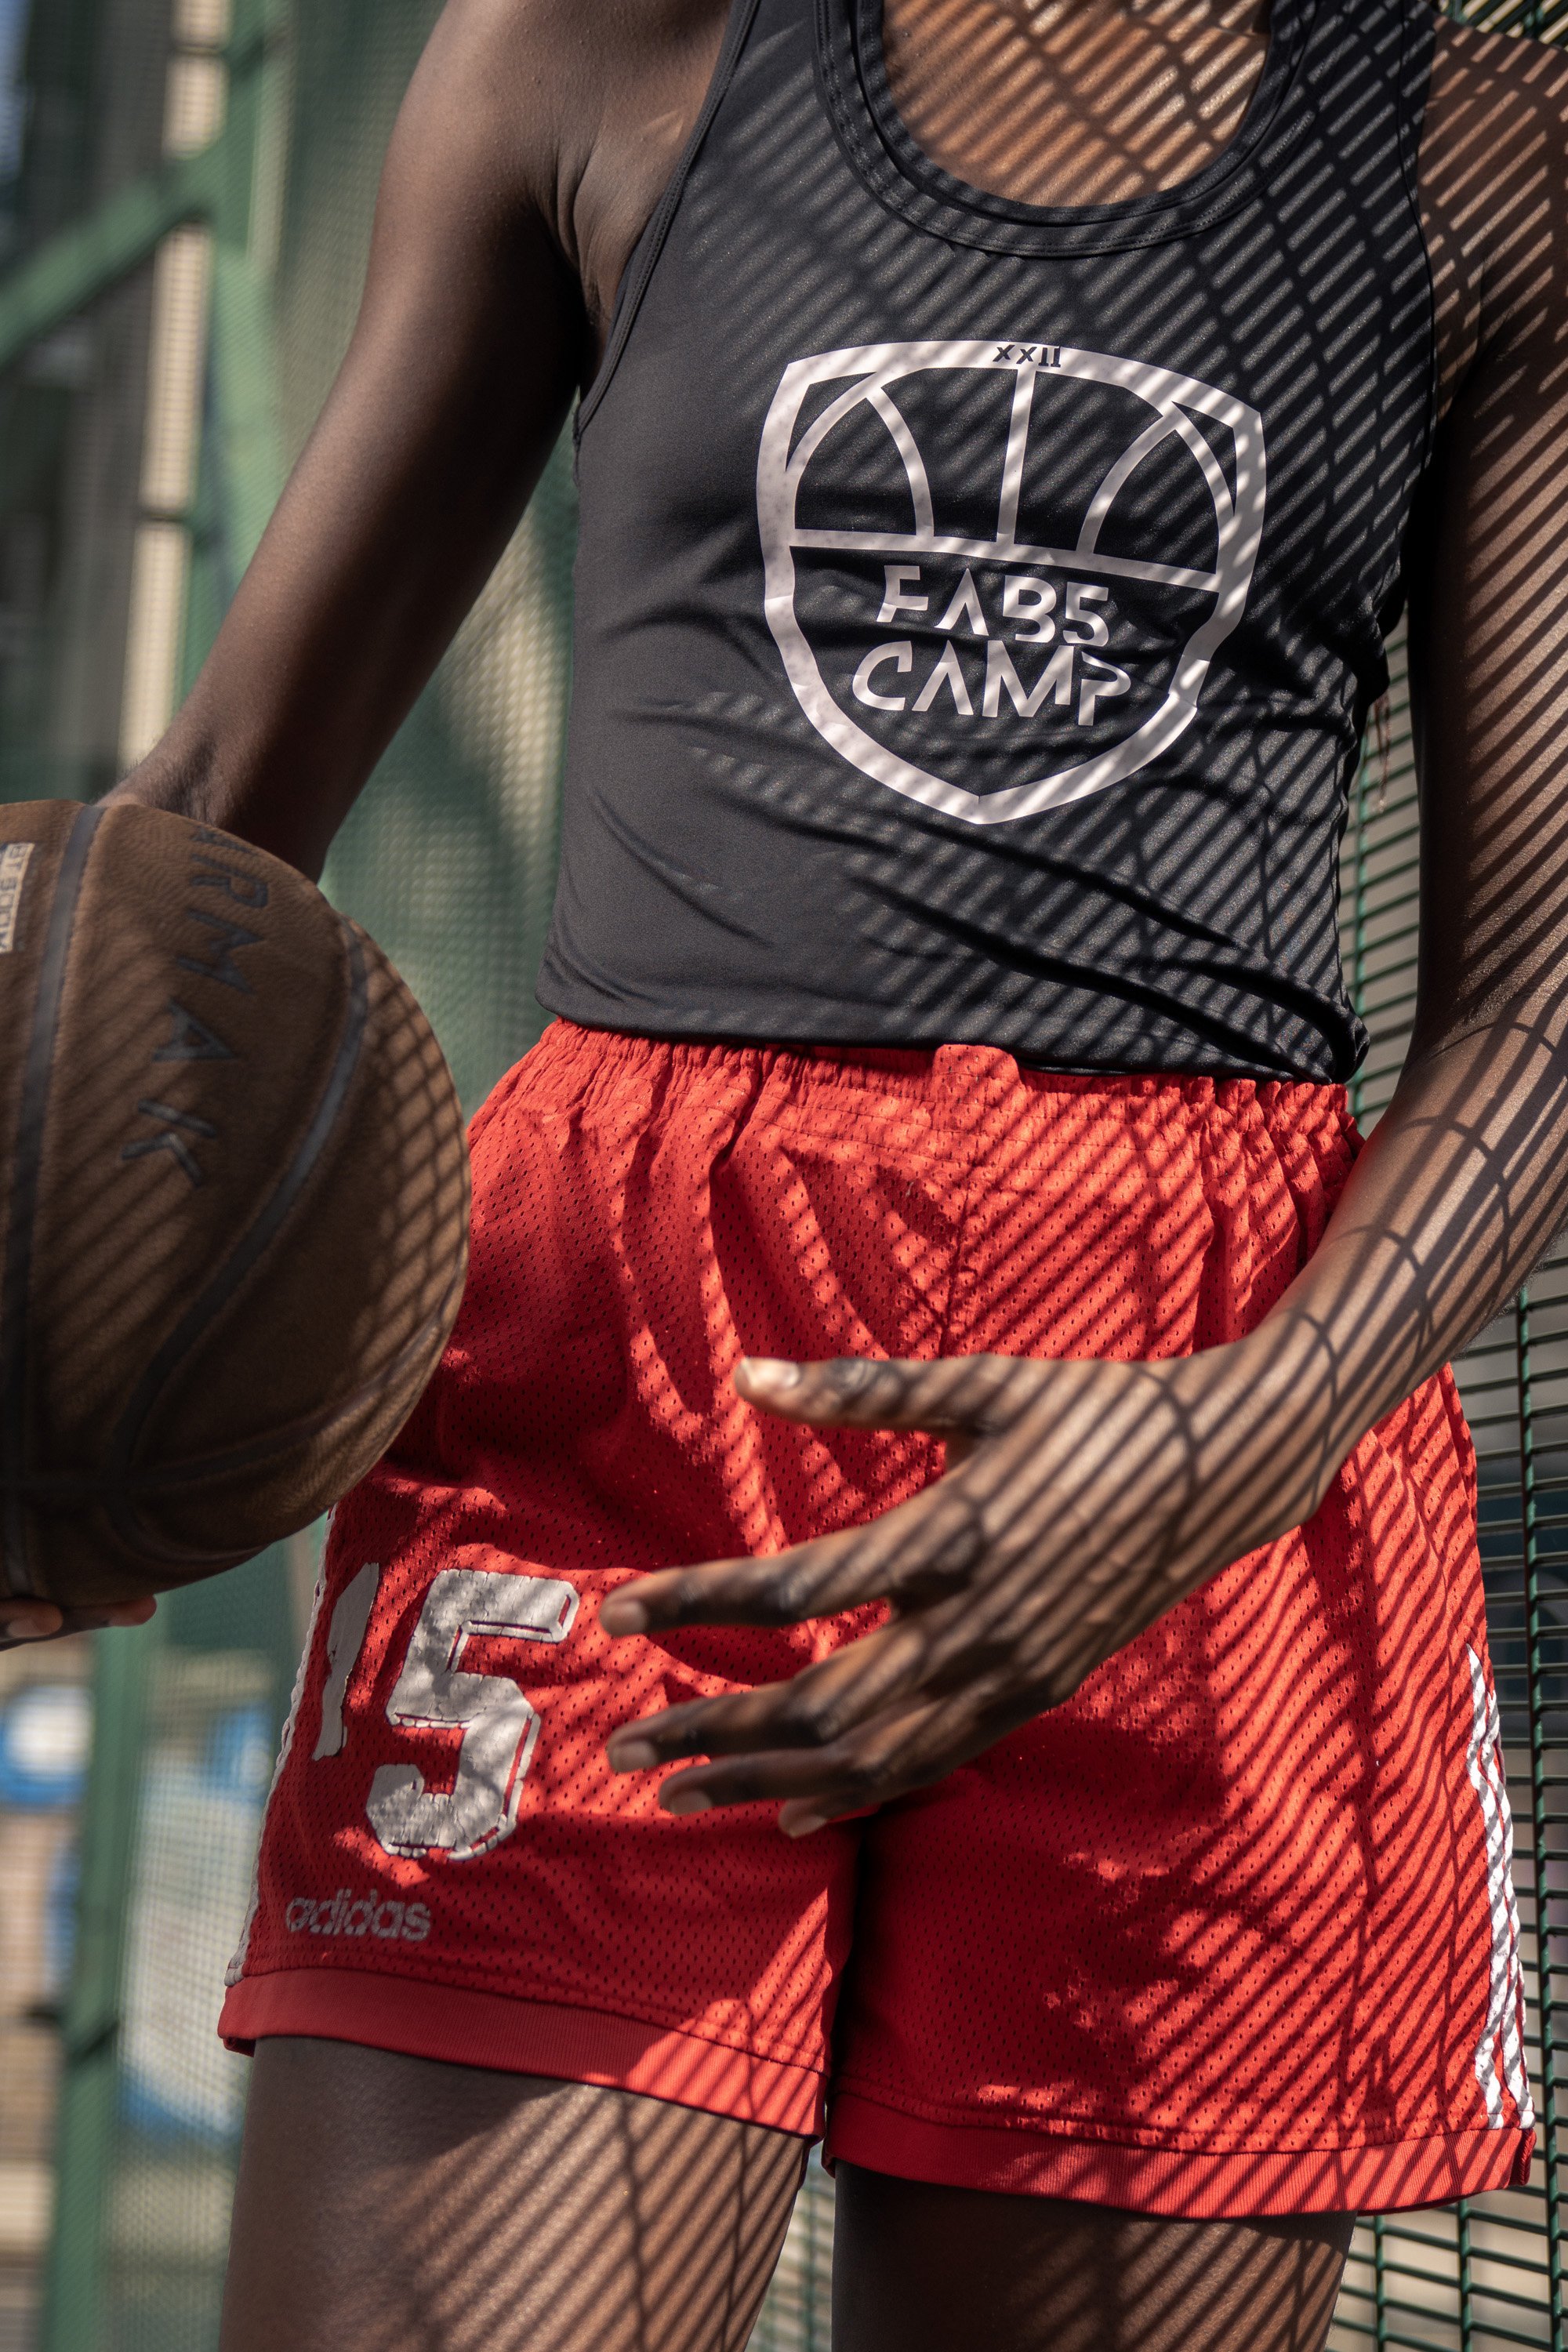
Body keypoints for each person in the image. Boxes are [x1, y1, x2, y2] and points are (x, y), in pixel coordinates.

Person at [10, 0, 1566, 2341]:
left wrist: (1231, 1436)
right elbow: (222, 807)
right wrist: (35, 1363)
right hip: (617, 1383)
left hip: (1226, 1397)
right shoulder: (596, 56)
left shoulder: (1472, 146)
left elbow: (1536, 999)